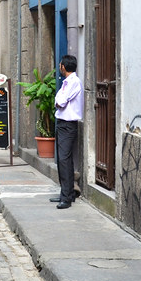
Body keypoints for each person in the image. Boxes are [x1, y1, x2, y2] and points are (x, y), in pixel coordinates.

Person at [52, 54, 84, 209]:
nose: (59, 67)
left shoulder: (74, 82)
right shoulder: (66, 83)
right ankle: (67, 193)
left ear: (63, 67)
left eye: (60, 65)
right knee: (63, 159)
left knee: (64, 159)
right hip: (63, 123)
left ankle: (66, 197)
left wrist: (58, 101)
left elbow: (60, 101)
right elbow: (58, 100)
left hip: (68, 124)